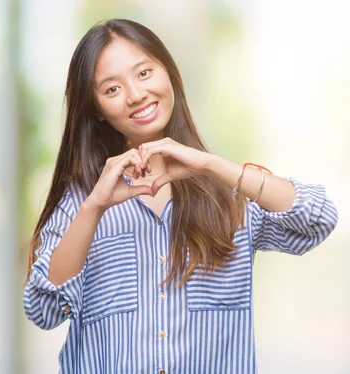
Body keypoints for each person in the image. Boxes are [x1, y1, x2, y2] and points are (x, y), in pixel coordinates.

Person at [22, 18, 338, 374]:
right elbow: (42, 310)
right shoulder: (81, 202)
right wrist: (94, 207)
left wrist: (212, 165)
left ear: (169, 73)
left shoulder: (229, 193)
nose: (136, 95)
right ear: (95, 108)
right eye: (112, 89)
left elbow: (318, 218)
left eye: (144, 73)